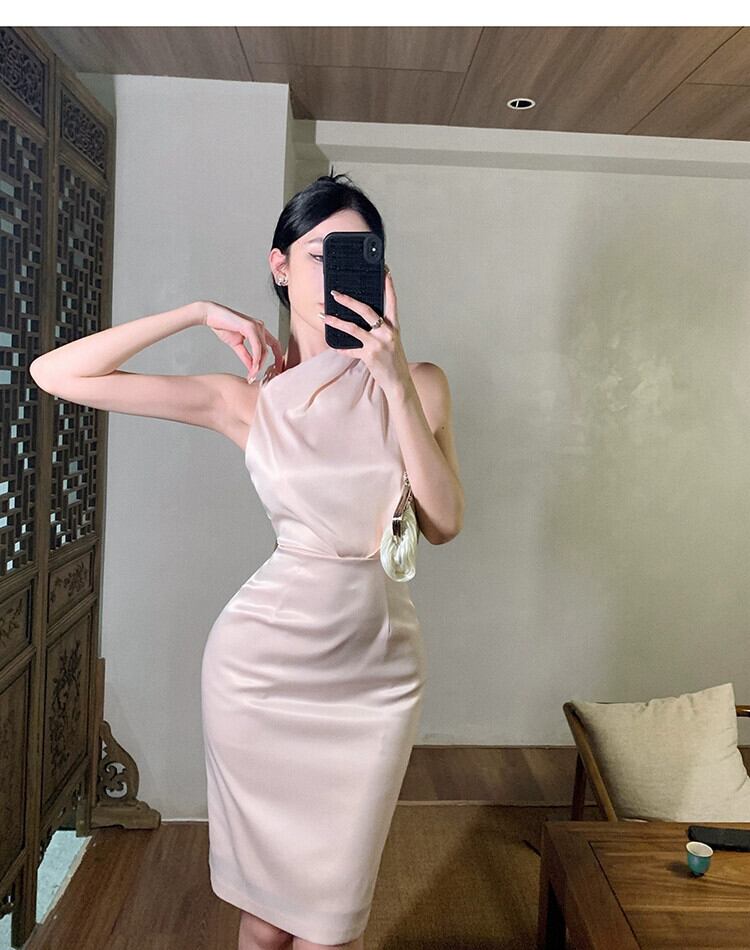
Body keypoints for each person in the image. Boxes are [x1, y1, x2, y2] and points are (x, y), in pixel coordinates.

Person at [29, 172, 464, 950]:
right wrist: (197, 311)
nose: (337, 271)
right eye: (318, 253)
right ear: (280, 267)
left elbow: (444, 523)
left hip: (377, 680)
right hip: (261, 677)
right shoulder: (247, 400)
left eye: (358, 253)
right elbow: (55, 375)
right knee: (264, 921)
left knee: (333, 928)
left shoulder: (420, 385)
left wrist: (394, 381)